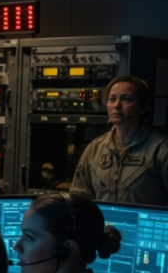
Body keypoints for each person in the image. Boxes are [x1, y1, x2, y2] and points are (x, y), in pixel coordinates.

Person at [71, 75, 168, 205]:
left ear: (143, 107)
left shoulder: (161, 150)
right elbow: (79, 199)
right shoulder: (94, 149)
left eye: (126, 99)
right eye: (112, 99)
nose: (116, 105)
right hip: (102, 225)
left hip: (144, 224)